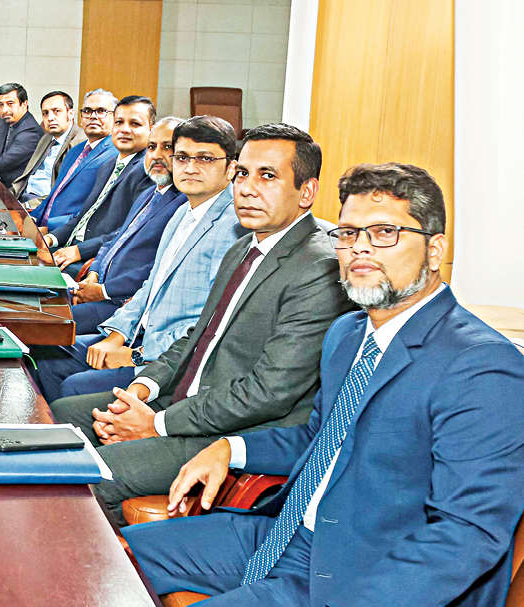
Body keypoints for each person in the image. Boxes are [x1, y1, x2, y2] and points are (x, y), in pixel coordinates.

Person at [124, 163, 524, 606]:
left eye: (385, 233)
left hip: (363, 578)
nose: (360, 248)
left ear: (434, 251)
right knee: (101, 555)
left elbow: (466, 535)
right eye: (348, 233)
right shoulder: (347, 334)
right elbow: (320, 438)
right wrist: (229, 448)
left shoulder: (482, 366)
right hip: (284, 534)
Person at [50, 123, 354, 525]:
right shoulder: (245, 245)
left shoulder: (320, 266)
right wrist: (141, 391)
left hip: (232, 431)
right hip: (184, 402)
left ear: (307, 192)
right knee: (63, 413)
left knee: (92, 474)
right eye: (242, 173)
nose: (247, 188)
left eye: (267, 176)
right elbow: (199, 336)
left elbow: (269, 392)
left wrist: (155, 424)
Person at [32, 116, 246, 401]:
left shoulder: (234, 227)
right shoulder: (183, 212)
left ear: (231, 168)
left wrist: (135, 355)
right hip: (136, 335)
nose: (190, 167)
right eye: (182, 157)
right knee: (45, 352)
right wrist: (116, 336)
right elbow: (150, 285)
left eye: (205, 159)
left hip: (164, 359)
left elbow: (211, 320)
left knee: (73, 387)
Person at [69, 117, 187, 330]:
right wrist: (94, 273)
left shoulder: (182, 204)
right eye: (151, 147)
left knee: (43, 320)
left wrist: (103, 291)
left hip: (121, 305)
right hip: (97, 289)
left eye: (167, 147)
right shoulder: (149, 193)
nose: (156, 155)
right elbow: (115, 239)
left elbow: (156, 268)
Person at [45, 95, 158, 275]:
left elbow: (130, 231)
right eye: (119, 122)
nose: (124, 129)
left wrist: (79, 251)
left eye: (135, 124)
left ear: (151, 129)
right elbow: (84, 216)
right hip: (70, 247)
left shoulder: (149, 171)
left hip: (96, 260)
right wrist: (51, 238)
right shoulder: (108, 165)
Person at [26, 89, 119, 231]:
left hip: (64, 234)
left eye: (101, 111)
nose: (93, 116)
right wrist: (32, 218)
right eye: (87, 111)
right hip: (41, 225)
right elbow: (54, 195)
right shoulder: (76, 150)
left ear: (115, 118)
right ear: (81, 117)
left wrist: (49, 228)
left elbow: (94, 212)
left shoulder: (115, 155)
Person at [11, 90, 85, 201]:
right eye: (45, 113)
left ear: (70, 114)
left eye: (57, 111)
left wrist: (28, 205)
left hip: (43, 203)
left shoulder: (80, 143)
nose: (50, 118)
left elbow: (65, 194)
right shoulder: (46, 138)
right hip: (23, 195)